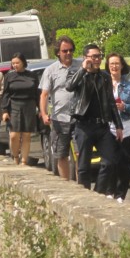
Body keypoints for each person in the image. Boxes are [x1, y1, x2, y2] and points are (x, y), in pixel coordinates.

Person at [66, 43, 123, 191]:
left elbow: (111, 101)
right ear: (85, 58)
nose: (97, 59)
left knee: (110, 161)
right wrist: (83, 69)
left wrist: (118, 125)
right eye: (94, 56)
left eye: (99, 56)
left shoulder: (104, 76)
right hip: (84, 125)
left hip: (102, 126)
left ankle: (98, 192)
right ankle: (85, 196)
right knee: (84, 166)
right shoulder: (77, 73)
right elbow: (69, 86)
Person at [39, 36, 82, 179]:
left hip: (79, 117)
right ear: (58, 52)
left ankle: (81, 186)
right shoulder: (50, 70)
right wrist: (44, 114)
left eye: (71, 50)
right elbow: (44, 94)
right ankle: (66, 184)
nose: (68, 53)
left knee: (80, 153)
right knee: (61, 154)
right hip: (59, 118)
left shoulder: (80, 66)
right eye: (65, 51)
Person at [104, 53, 130, 202]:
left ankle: (120, 195)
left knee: (125, 163)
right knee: (110, 162)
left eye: (117, 63)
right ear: (108, 66)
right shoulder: (103, 85)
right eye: (111, 64)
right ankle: (109, 191)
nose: (114, 66)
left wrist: (125, 107)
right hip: (110, 128)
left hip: (128, 128)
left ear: (122, 66)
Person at [1, 53, 40, 165]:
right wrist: (4, 111)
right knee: (14, 135)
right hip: (14, 105)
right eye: (13, 63)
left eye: (17, 63)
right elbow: (5, 94)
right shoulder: (9, 76)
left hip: (29, 105)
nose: (15, 65)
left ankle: (24, 160)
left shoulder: (32, 76)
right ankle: (15, 157)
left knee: (26, 134)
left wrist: (41, 109)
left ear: (23, 62)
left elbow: (37, 93)